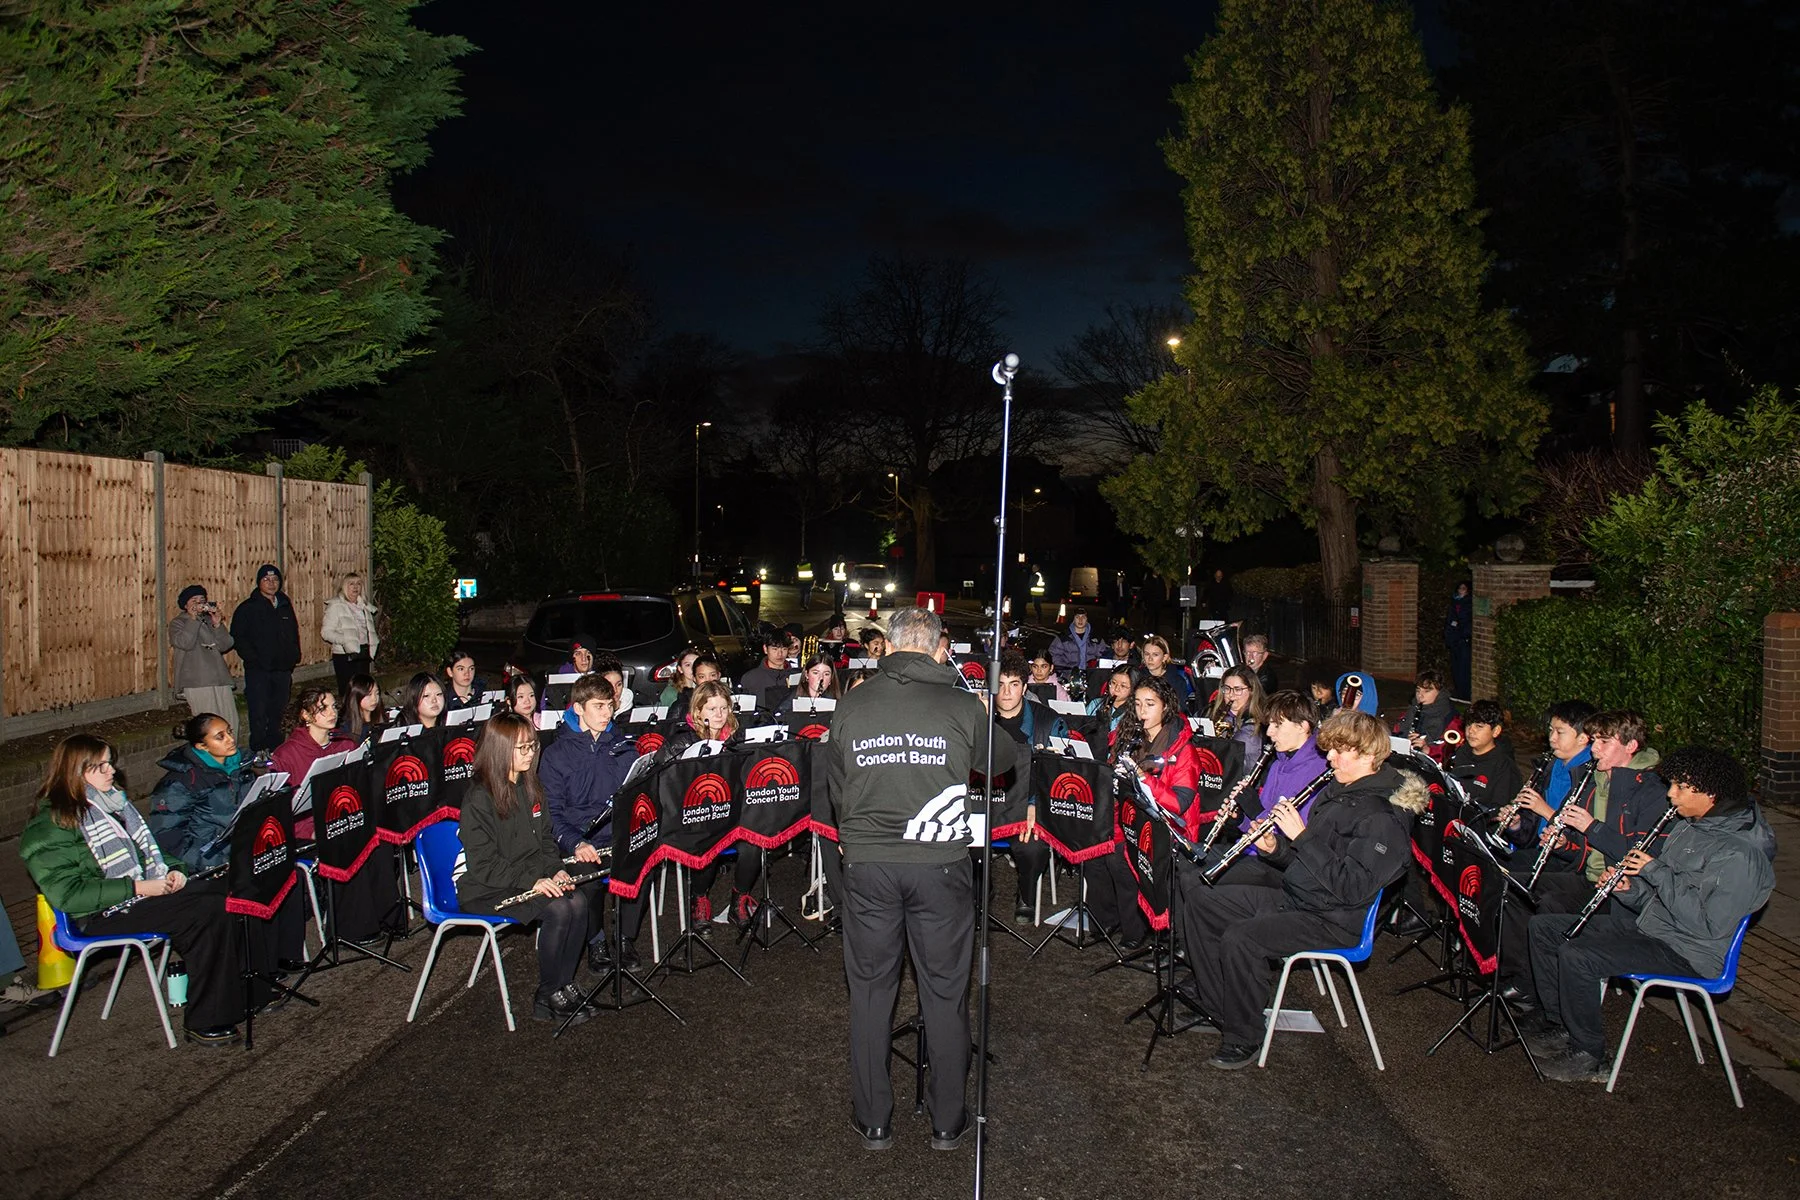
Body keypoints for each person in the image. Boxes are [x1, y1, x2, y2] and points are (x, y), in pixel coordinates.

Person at [1185, 710, 1427, 1069]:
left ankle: (1244, 1036)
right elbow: (1307, 863)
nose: (1328, 757)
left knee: (1242, 938)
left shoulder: (1383, 818)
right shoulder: (1339, 791)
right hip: (1302, 896)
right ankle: (1221, 1004)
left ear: (1367, 755)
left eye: (1338, 751)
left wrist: (1301, 836)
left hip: (1333, 918)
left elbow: (1350, 888)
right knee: (1204, 898)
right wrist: (1276, 850)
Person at [826, 606, 984, 1151]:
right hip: (939, 866)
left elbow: (837, 785)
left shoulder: (853, 703)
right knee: (943, 991)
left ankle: (873, 1119)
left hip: (868, 863)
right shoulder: (961, 703)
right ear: (940, 648)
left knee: (871, 991)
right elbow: (1002, 756)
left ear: (888, 647)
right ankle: (947, 1119)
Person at [1524, 746, 1774, 1083]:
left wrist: (1654, 871)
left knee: (1578, 953)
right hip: (1653, 929)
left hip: (1689, 951)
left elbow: (1709, 925)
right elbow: (1657, 899)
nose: (1671, 795)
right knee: (1546, 928)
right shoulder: (1691, 827)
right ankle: (1560, 1025)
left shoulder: (1740, 855)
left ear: (1710, 794)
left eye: (1681, 788)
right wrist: (1629, 888)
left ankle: (1590, 1055)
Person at [21, 734, 247, 1046]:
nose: (111, 771)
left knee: (225, 890)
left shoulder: (112, 804)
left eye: (109, 763)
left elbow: (150, 850)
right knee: (205, 911)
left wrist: (175, 871)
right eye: (100, 766)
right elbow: (68, 895)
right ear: (75, 773)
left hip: (133, 896)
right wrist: (137, 886)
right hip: (98, 913)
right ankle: (207, 1018)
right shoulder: (50, 825)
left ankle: (243, 991)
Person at [1500, 710, 1670, 1005]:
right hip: (1591, 880)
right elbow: (1582, 853)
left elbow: (1643, 855)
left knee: (1549, 908)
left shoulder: (1652, 790)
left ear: (1630, 747)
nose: (1594, 749)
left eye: (1604, 742)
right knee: (1514, 887)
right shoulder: (1594, 780)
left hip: (1627, 897)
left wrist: (1591, 826)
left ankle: (1540, 993)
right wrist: (1563, 844)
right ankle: (1518, 974)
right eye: (1595, 741)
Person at [453, 713, 601, 1027]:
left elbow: (546, 840)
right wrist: (534, 880)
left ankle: (563, 983)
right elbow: (483, 866)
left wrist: (556, 869)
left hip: (529, 876)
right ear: (500, 750)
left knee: (579, 900)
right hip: (487, 886)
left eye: (532, 746)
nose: (530, 753)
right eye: (521, 748)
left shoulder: (531, 786)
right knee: (560, 909)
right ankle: (548, 993)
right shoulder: (479, 799)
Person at [271, 686, 389, 951]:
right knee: (345, 843)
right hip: (308, 830)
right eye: (322, 708)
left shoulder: (345, 744)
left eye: (334, 706)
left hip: (343, 819)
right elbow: (286, 808)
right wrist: (310, 830)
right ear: (305, 715)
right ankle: (351, 927)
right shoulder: (287, 754)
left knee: (380, 843)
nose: (332, 712)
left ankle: (384, 917)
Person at [539, 674, 644, 970]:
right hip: (578, 838)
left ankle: (625, 938)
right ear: (578, 708)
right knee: (590, 878)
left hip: (617, 835)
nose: (606, 713)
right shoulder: (556, 755)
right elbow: (553, 814)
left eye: (609, 706)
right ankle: (595, 940)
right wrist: (576, 842)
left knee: (643, 861)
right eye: (598, 706)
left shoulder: (623, 747)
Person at [1202, 690, 1329, 887]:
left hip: (1278, 865)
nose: (1269, 732)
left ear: (1303, 727)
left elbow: (1287, 838)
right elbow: (1259, 824)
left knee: (1195, 884)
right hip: (1253, 850)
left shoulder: (1318, 772)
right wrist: (1239, 820)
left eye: (1277, 725)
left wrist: (1254, 809)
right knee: (1183, 866)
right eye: (1269, 724)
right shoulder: (1279, 762)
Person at [664, 681, 755, 930]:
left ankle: (739, 899)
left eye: (724, 708)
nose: (719, 715)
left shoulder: (736, 737)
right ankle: (699, 898)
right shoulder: (683, 740)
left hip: (731, 810)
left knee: (755, 843)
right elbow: (664, 781)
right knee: (710, 842)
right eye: (712, 709)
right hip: (695, 814)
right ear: (698, 711)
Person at [987, 654, 1064, 923]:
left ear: (1025, 688)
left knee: (1033, 847)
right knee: (964, 843)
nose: (1007, 692)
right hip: (987, 804)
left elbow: (1055, 775)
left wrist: (1033, 804)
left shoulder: (1047, 721)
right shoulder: (978, 720)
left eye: (1014, 684)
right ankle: (981, 893)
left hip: (1028, 806)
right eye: (1001, 684)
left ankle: (1026, 893)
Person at [146, 713, 257, 872]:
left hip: (244, 853)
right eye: (220, 737)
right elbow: (169, 838)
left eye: (229, 732)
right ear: (201, 746)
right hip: (211, 865)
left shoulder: (241, 766)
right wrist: (213, 864)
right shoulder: (181, 782)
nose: (231, 740)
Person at [1508, 699, 1597, 856]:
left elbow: (1580, 845)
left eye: (1560, 732)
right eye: (1551, 730)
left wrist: (1544, 810)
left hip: (1563, 861)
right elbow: (1528, 837)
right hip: (1537, 851)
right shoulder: (1548, 767)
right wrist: (1516, 825)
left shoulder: (1591, 778)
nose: (1552, 738)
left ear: (1583, 738)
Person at [231, 563, 302, 752]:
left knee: (279, 711)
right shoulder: (248, 608)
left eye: (275, 579)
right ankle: (259, 752)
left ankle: (276, 750)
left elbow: (293, 633)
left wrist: (293, 656)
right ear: (259, 583)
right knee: (259, 712)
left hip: (282, 670)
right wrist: (254, 659)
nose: (271, 583)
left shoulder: (285, 605)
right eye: (266, 579)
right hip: (259, 671)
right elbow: (239, 637)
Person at [170, 584, 238, 741]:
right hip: (197, 682)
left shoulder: (208, 621)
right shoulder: (178, 623)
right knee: (208, 727)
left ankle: (231, 757)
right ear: (185, 604)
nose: (199, 604)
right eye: (194, 600)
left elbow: (226, 644)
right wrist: (193, 620)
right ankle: (210, 761)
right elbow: (184, 643)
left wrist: (217, 625)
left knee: (230, 722)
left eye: (202, 600)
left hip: (219, 679)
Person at [1445, 699, 1522, 811]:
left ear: (1495, 731)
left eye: (1479, 726)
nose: (1471, 731)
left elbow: (1498, 810)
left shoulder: (1504, 767)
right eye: (1469, 724)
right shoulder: (1461, 752)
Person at [320, 573, 379, 694]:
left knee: (363, 691)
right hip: (344, 655)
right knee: (348, 692)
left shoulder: (364, 606)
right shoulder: (336, 606)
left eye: (358, 584)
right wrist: (346, 640)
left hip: (363, 653)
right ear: (344, 587)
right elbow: (326, 632)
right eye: (351, 584)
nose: (355, 587)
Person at [1207, 666, 1266, 763]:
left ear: (1251, 691)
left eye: (1237, 689)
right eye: (1227, 688)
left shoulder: (1254, 726)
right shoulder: (1216, 713)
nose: (1231, 694)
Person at [1395, 670, 1455, 751]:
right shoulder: (1414, 707)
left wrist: (1426, 744)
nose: (1420, 695)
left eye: (1426, 691)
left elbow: (1446, 747)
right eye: (1418, 690)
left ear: (1440, 693)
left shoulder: (1447, 714)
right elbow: (1400, 731)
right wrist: (1406, 739)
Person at [738, 632, 795, 710]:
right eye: (775, 649)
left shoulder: (796, 676)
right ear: (765, 649)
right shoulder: (750, 678)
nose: (780, 654)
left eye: (784, 649)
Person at [1140, 634, 1193, 709]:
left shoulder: (1177, 682)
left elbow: (1179, 709)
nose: (1150, 659)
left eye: (1155, 655)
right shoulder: (1136, 677)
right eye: (1147, 654)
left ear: (1165, 657)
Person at [1086, 665, 1139, 734]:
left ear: (1133, 689)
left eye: (1123, 686)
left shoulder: (1135, 711)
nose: (1116, 689)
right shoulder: (1095, 704)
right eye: (1113, 683)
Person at [1048, 608, 1101, 676]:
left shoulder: (1096, 637)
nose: (1080, 620)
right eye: (1077, 617)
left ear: (1087, 619)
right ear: (1073, 619)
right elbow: (1052, 655)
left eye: (1083, 617)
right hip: (1068, 675)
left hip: (1091, 675)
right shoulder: (1063, 637)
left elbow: (1103, 655)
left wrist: (1094, 667)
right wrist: (1067, 667)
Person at [1444, 581, 1473, 701]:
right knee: (1456, 666)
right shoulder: (1454, 603)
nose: (1461, 591)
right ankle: (1459, 690)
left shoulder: (1468, 603)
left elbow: (1466, 621)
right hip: (1454, 640)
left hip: (1463, 640)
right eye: (1459, 588)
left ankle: (1465, 693)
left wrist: (1462, 632)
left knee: (1463, 667)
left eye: (1464, 588)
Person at [337, 674, 385, 744]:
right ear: (356, 697)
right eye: (369, 695)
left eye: (377, 693)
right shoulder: (346, 727)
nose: (374, 699)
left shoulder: (383, 718)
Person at [441, 648, 488, 714]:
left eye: (471, 668)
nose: (467, 673)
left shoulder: (484, 695)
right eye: (461, 669)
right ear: (450, 672)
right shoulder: (442, 699)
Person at [1242, 633, 1277, 698]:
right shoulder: (1243, 670)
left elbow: (1253, 696)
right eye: (1247, 652)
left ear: (1264, 655)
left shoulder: (1267, 677)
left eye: (1255, 653)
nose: (1250, 657)